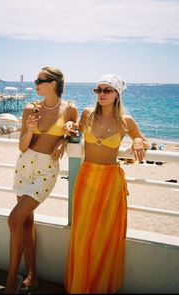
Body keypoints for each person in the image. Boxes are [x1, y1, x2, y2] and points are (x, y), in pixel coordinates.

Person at [65, 73, 149, 294]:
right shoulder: (88, 114)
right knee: (82, 237)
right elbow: (77, 131)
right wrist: (69, 126)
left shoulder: (125, 121)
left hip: (110, 182)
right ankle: (80, 287)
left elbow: (142, 139)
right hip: (86, 178)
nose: (101, 94)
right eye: (98, 90)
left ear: (116, 94)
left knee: (104, 238)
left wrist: (138, 139)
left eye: (107, 90)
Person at [4, 66, 78, 294]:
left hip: (46, 170)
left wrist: (63, 141)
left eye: (39, 80)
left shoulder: (69, 109)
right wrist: (29, 130)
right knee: (26, 222)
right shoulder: (30, 109)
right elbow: (22, 146)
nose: (35, 83)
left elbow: (76, 130)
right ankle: (32, 275)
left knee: (14, 219)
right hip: (25, 164)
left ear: (53, 83)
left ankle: (10, 282)